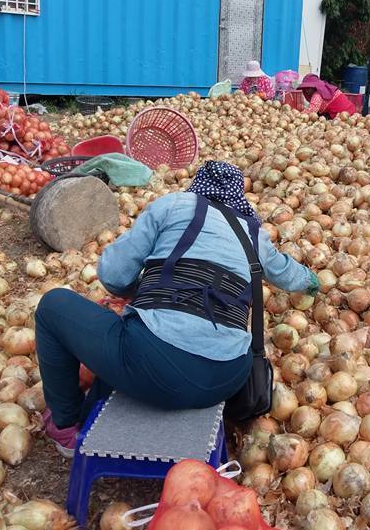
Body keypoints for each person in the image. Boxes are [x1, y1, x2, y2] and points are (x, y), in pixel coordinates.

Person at [34, 161, 318, 456]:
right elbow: (286, 272)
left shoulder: (172, 206)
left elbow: (113, 274)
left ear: (197, 185)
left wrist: (138, 293)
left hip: (156, 365)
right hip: (228, 377)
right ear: (238, 194)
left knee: (53, 306)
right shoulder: (251, 231)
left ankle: (66, 427)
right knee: (140, 335)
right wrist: (313, 282)